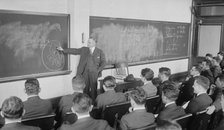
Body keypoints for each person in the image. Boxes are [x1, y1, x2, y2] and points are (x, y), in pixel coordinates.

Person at [57, 37, 106, 101]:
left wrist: (98, 70)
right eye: (88, 42)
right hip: (84, 73)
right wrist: (63, 50)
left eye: (89, 42)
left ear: (94, 43)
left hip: (94, 73)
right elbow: (75, 50)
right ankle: (85, 103)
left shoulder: (100, 51)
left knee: (94, 89)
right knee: (85, 89)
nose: (87, 43)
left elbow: (103, 62)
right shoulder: (84, 49)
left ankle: (94, 105)